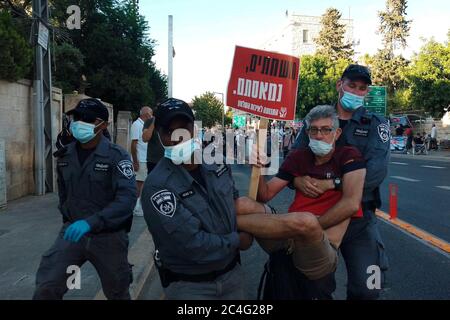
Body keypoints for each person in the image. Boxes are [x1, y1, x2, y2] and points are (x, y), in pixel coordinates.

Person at [237, 105, 366, 299]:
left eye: (326, 129)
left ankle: (228, 221)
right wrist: (259, 170)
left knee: (305, 221)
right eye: (313, 130)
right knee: (242, 204)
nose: (319, 135)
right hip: (287, 235)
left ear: (337, 133)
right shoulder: (298, 157)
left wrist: (309, 228)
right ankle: (211, 219)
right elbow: (265, 195)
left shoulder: (349, 156)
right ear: (307, 133)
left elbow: (351, 204)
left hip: (321, 246)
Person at [291, 64, 390, 300]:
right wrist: (296, 179)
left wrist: (333, 183)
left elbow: (376, 171)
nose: (356, 92)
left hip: (360, 218)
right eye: (351, 85)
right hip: (318, 216)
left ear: (367, 92)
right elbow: (293, 160)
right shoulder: (317, 118)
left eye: (362, 88)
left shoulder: (377, 124)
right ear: (339, 85)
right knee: (314, 287)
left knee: (370, 287)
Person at [140, 98, 252, 300]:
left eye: (183, 128)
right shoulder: (157, 186)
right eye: (168, 132)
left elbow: (234, 206)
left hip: (232, 277)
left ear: (194, 129)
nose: (177, 138)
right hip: (190, 287)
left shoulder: (216, 162)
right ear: (159, 135)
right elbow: (191, 244)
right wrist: (237, 239)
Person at [33, 98, 137, 300]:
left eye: (87, 119)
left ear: (103, 125)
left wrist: (92, 222)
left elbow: (127, 199)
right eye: (77, 117)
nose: (79, 122)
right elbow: (64, 194)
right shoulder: (65, 156)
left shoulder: (117, 156)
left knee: (117, 292)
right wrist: (69, 218)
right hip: (73, 234)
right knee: (47, 287)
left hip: (108, 237)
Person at [130, 106, 153, 216]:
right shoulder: (136, 125)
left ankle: (138, 205)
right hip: (140, 159)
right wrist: (135, 161)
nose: (152, 116)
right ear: (146, 114)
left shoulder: (144, 125)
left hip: (145, 158)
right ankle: (135, 207)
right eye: (150, 114)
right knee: (139, 184)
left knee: (143, 184)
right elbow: (133, 144)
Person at [142, 106, 165, 174]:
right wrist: (154, 122)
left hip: (168, 160)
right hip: (153, 161)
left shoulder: (169, 121)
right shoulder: (149, 122)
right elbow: (145, 138)